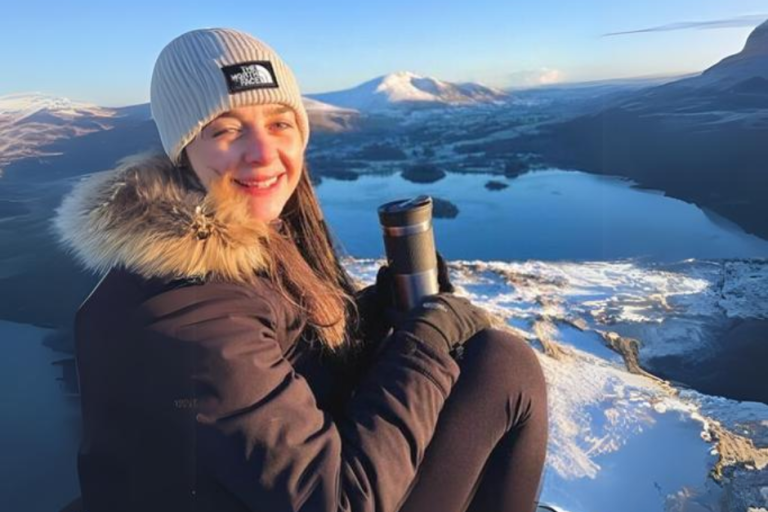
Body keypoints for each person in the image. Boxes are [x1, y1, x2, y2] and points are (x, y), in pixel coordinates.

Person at [54, 28, 548, 512]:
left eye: (279, 123)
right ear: (182, 150)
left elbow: (286, 357)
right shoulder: (183, 310)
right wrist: (425, 345)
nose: (264, 153)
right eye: (226, 130)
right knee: (503, 366)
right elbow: (338, 501)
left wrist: (377, 313)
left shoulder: (236, 246)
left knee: (491, 359)